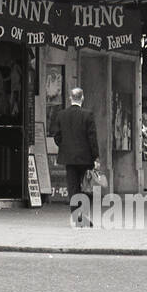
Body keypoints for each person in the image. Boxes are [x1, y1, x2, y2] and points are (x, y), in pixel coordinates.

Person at [49, 87, 100, 228]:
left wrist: (65, 146)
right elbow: (92, 138)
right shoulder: (88, 115)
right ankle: (83, 216)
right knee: (86, 187)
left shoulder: (61, 115)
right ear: (82, 98)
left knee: (73, 188)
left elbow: (57, 136)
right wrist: (96, 157)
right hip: (85, 158)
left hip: (69, 158)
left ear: (70, 98)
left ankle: (77, 217)